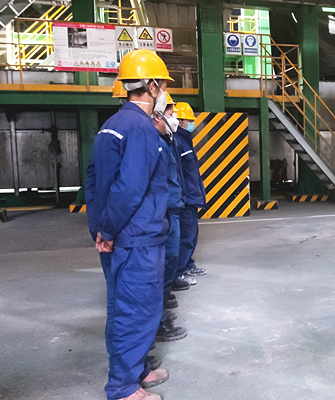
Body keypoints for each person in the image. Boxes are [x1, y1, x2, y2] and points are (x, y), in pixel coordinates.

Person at [86, 49, 173, 400]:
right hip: (137, 238)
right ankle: (123, 387)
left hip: (121, 235)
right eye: (163, 85)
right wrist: (108, 230)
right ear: (151, 86)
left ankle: (136, 369)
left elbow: (95, 181)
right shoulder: (140, 128)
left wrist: (101, 228)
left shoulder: (113, 124)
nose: (165, 92)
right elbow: (130, 188)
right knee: (137, 311)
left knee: (123, 307)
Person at [151, 92, 188, 342]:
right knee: (161, 270)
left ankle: (161, 315)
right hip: (163, 215)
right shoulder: (153, 142)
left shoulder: (167, 140)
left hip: (172, 211)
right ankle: (157, 324)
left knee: (169, 265)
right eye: (171, 113)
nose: (174, 118)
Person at [172, 101, 208, 284]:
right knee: (185, 236)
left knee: (191, 235)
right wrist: (184, 197)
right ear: (179, 121)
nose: (191, 124)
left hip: (191, 197)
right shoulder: (177, 142)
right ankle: (179, 271)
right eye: (188, 121)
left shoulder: (185, 141)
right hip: (186, 198)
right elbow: (177, 173)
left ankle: (187, 264)